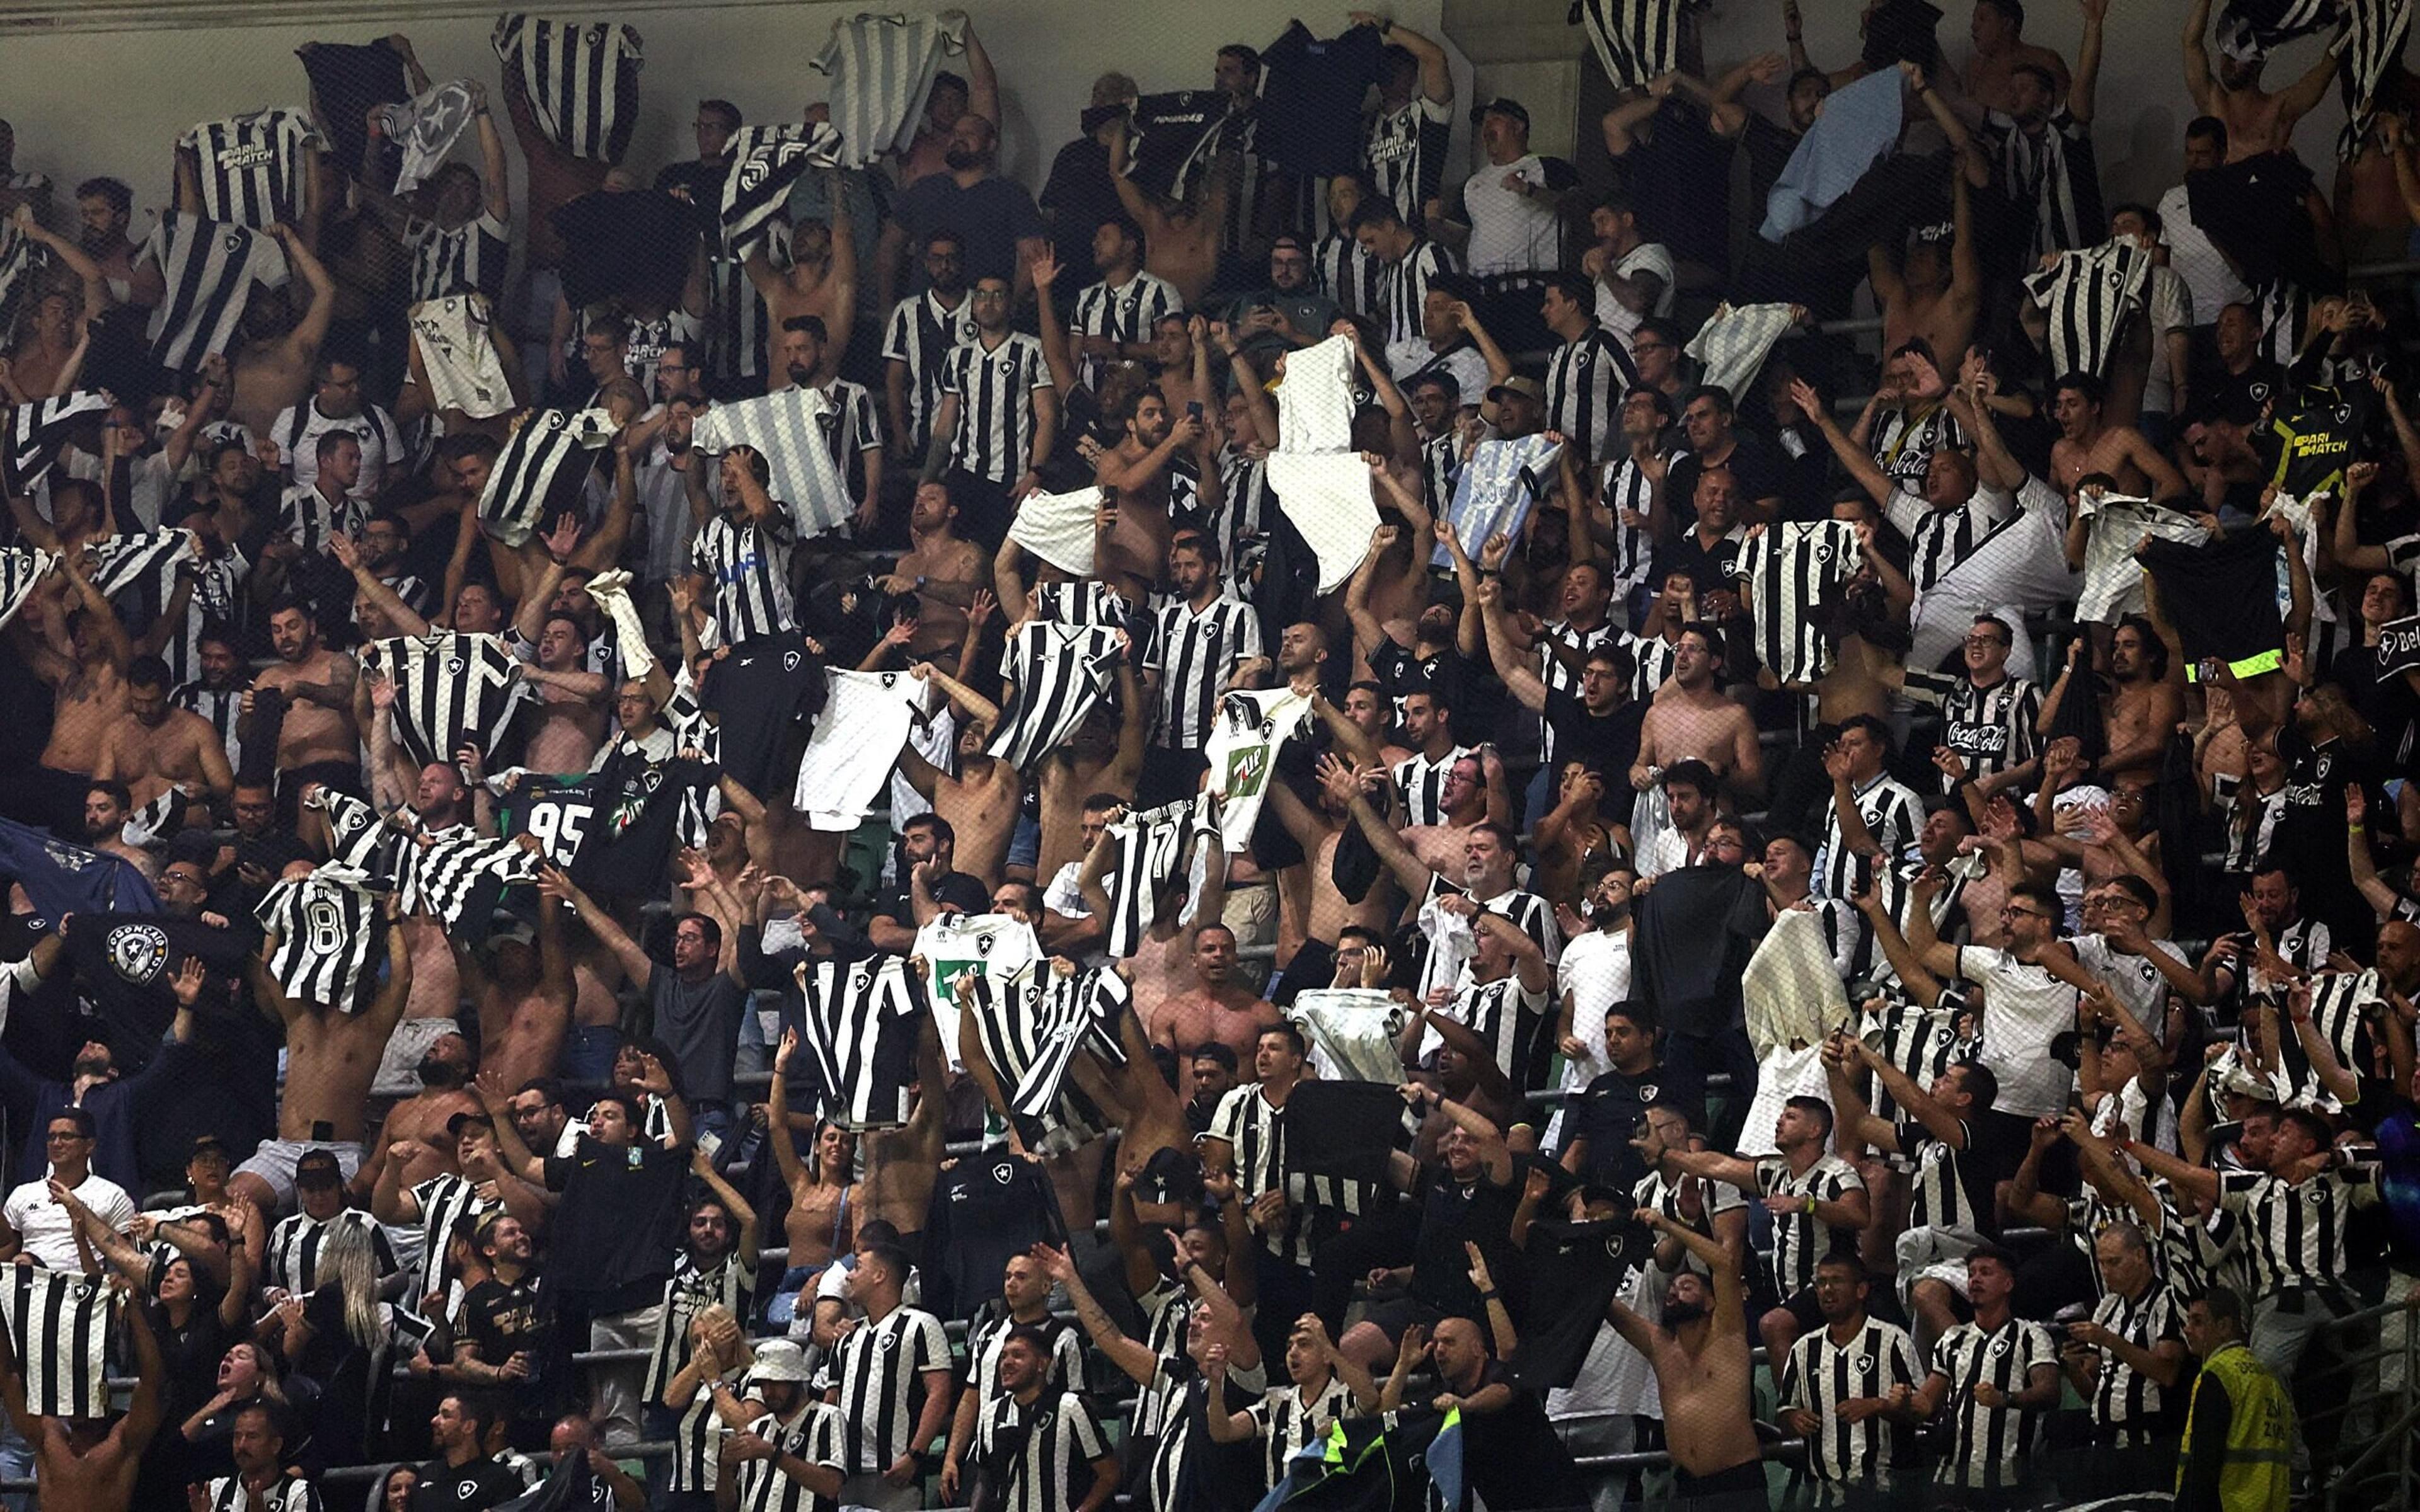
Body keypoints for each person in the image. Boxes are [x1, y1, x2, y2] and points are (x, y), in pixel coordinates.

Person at [969, 1325, 1118, 1512]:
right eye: (1003, 1357)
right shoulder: (990, 1414)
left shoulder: (1070, 1407)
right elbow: (985, 1478)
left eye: (1018, 1355)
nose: (1007, 1363)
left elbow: (1109, 1473)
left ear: (1042, 1364)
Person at [2175, 1286, 2295, 1512]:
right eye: (2188, 1321)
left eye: (2198, 1322)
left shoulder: (2218, 1375)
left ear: (2224, 1326)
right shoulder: (2267, 1377)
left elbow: (2204, 1464)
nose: (2187, 1330)